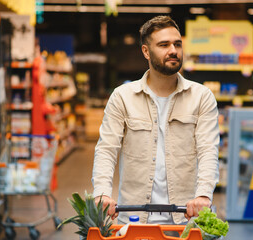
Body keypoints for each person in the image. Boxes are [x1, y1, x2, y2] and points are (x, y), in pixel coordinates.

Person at [92, 15, 219, 225]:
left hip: (184, 219)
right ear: (145, 51)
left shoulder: (201, 97)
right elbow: (107, 149)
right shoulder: (123, 97)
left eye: (177, 44)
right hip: (133, 219)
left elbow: (208, 149)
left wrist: (204, 194)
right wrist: (102, 192)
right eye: (164, 45)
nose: (173, 50)